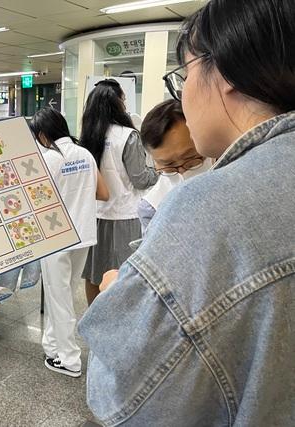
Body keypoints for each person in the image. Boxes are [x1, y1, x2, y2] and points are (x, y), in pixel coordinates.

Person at [78, 0, 295, 425]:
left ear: (228, 71)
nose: (184, 92)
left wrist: (117, 303)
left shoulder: (211, 209)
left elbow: (127, 400)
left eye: (186, 73)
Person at [30, 107, 108, 378]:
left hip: (56, 239)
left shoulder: (48, 159)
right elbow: (103, 192)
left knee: (59, 297)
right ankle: (52, 346)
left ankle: (70, 359)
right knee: (62, 294)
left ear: (42, 134)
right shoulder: (85, 154)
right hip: (83, 234)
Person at [79, 79, 158, 304]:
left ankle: (93, 321)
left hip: (96, 215)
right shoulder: (128, 136)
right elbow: (141, 179)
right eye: (123, 99)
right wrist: (160, 171)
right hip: (124, 216)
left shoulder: (88, 136)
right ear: (117, 104)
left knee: (94, 274)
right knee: (124, 276)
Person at [137, 99, 212, 235]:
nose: (183, 172)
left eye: (191, 159)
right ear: (154, 162)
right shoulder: (152, 208)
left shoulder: (234, 177)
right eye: (169, 165)